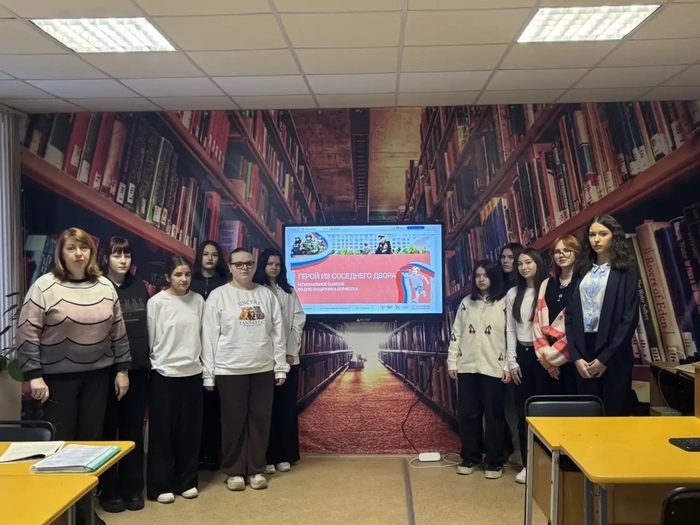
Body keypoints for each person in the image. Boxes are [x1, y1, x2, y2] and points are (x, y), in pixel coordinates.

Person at [16, 227, 130, 525]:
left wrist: (122, 370)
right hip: (57, 381)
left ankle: (84, 513)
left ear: (91, 252)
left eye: (84, 247)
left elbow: (118, 331)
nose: (78, 254)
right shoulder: (45, 286)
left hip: (98, 378)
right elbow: (27, 333)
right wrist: (34, 375)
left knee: (90, 447)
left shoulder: (105, 286)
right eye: (71, 248)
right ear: (61, 253)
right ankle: (60, 514)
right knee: (62, 448)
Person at [202, 248, 289, 491]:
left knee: (260, 422)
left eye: (249, 264)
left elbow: (278, 334)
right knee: (233, 423)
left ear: (254, 266)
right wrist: (208, 374)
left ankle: (256, 470)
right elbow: (209, 337)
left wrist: (280, 368)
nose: (244, 268)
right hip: (229, 369)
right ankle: (235, 471)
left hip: (263, 367)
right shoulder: (218, 296)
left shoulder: (266, 295)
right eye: (238, 264)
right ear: (230, 267)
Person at [565, 214, 639, 417]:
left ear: (614, 236)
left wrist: (605, 359)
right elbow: (570, 316)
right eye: (592, 235)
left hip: (614, 353)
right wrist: (576, 357)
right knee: (588, 418)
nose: (596, 239)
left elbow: (629, 318)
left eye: (603, 234)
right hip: (583, 353)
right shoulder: (581, 271)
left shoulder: (626, 271)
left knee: (614, 417)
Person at [146, 256, 205, 504]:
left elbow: (203, 335)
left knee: (189, 432)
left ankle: (187, 481)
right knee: (162, 433)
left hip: (192, 374)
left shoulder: (198, 301)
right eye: (178, 274)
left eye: (187, 274)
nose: (184, 279)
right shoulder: (156, 302)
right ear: (168, 277)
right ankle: (160, 485)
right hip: (164, 374)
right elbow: (151, 338)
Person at [99, 237, 151, 514]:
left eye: (127, 255)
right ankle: (109, 490)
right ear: (106, 258)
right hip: (106, 372)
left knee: (132, 431)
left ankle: (133, 488)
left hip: (138, 370)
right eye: (117, 255)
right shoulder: (98, 286)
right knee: (109, 430)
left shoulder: (140, 286)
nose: (123, 260)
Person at [447, 259, 509, 480]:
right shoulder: (466, 303)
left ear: (494, 277)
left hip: (494, 367)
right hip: (467, 366)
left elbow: (510, 335)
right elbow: (456, 333)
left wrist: (508, 364)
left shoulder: (505, 302)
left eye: (486, 275)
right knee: (468, 414)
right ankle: (470, 457)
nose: (481, 279)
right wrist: (452, 362)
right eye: (478, 276)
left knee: (494, 415)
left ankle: (494, 461)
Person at [252, 247, 306, 475]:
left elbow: (298, 322)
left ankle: (285, 455)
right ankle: (267, 456)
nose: (274, 268)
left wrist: (291, 352)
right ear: (262, 266)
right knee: (266, 411)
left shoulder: (289, 291)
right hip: (264, 360)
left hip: (288, 359)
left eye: (277, 264)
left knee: (286, 409)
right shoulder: (255, 290)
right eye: (269, 264)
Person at [505, 247, 548, 485]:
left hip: (544, 355)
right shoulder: (513, 293)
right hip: (522, 354)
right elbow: (510, 329)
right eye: (520, 264)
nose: (523, 267)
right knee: (523, 412)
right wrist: (512, 361)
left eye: (528, 262)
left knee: (544, 411)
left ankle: (546, 464)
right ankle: (527, 464)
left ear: (538, 263)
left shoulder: (547, 288)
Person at [189, 240, 229, 471]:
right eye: (206, 254)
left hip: (218, 350)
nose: (210, 258)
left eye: (214, 254)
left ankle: (213, 453)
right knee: (196, 408)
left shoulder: (225, 283)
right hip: (192, 348)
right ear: (199, 256)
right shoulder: (190, 282)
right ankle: (196, 453)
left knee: (215, 407)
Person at [532, 235, 580, 396]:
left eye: (567, 250)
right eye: (557, 251)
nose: (562, 254)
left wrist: (554, 357)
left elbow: (577, 326)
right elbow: (537, 324)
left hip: (573, 358)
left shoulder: (582, 283)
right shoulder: (546, 284)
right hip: (545, 362)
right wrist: (548, 362)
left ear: (576, 253)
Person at [498, 242, 523, 466]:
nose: (506, 261)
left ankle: (522, 452)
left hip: (518, 353)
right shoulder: (499, 286)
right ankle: (514, 448)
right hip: (497, 351)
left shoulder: (524, 288)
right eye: (503, 257)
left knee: (517, 404)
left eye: (510, 257)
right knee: (506, 405)